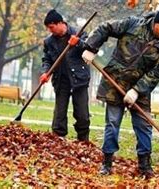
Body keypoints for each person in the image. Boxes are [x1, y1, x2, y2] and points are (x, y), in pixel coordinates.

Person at [80, 6, 159, 177]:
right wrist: (91, 48)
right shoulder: (133, 24)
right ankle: (107, 163)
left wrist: (137, 91)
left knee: (144, 126)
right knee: (112, 123)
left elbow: (156, 73)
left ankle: (145, 166)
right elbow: (106, 27)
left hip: (141, 90)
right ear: (158, 23)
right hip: (115, 82)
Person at [40, 9, 91, 141]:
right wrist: (46, 72)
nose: (50, 31)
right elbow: (47, 59)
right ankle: (58, 139)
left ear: (61, 23)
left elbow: (90, 48)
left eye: (51, 27)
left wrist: (78, 42)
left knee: (82, 114)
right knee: (59, 114)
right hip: (61, 80)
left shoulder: (79, 33)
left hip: (79, 79)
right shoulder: (49, 41)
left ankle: (83, 140)